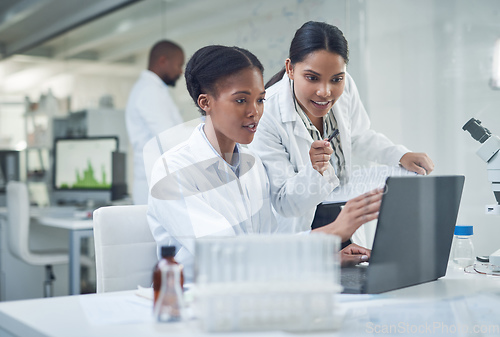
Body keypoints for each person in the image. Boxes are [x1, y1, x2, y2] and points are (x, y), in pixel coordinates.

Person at [147, 45, 383, 282]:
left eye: (260, 100)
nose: (255, 112)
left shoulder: (253, 166)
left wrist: (324, 258)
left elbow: (269, 246)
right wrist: (330, 232)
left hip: (254, 294)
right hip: (198, 303)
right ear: (205, 102)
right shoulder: (173, 170)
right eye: (241, 100)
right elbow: (223, 255)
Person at [249, 21, 434, 239]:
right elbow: (283, 203)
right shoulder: (266, 113)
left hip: (343, 218)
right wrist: (315, 171)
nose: (325, 92)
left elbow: (359, 135)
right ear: (290, 68)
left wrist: (400, 154)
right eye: (312, 78)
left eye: (336, 79)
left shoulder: (347, 87)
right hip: (301, 232)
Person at [126, 40, 185, 205]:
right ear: (163, 61)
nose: (181, 71)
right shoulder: (149, 91)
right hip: (153, 186)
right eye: (179, 65)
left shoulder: (155, 90)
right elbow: (170, 138)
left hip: (160, 184)